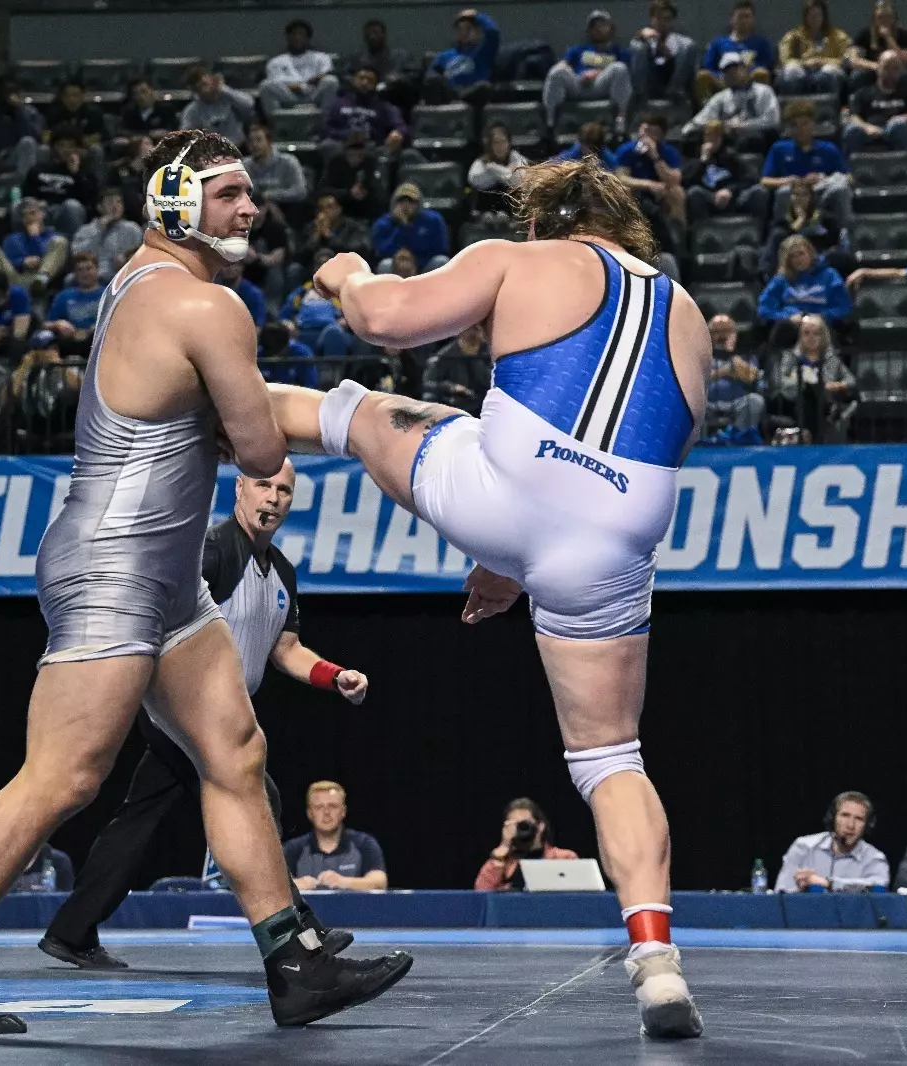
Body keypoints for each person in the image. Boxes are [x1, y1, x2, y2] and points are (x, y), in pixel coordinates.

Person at [0, 128, 410, 1036]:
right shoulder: (209, 310)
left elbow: (210, 419)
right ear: (175, 205)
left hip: (158, 571)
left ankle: (293, 961)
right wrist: (356, 417)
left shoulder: (141, 279)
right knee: (64, 776)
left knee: (234, 750)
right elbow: (259, 451)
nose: (251, 208)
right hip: (118, 566)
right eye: (230, 194)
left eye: (250, 193)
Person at [264, 154, 711, 1038]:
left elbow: (387, 320)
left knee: (353, 410)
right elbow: (645, 447)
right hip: (617, 531)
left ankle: (172, 422)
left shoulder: (521, 256)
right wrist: (518, 556)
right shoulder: (690, 315)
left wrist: (346, 274)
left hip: (510, 482)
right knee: (609, 760)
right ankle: (656, 958)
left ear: (544, 222)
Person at [41, 460, 369, 967]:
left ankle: (71, 929)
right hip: (186, 713)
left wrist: (334, 675)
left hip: (212, 718)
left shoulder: (281, 571)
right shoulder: (215, 550)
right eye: (264, 486)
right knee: (259, 801)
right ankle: (301, 932)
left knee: (141, 819)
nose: (274, 498)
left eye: (284, 490)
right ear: (240, 488)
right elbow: (164, 619)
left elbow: (286, 647)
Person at [774, 792, 890, 892]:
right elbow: (782, 891)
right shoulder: (804, 847)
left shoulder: (874, 859)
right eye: (845, 815)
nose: (850, 825)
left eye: (859, 819)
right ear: (832, 818)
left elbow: (878, 887)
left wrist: (828, 883)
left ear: (868, 825)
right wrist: (802, 889)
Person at [284, 781, 388, 892]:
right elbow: (270, 887)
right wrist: (297, 885)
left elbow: (380, 883)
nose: (326, 812)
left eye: (332, 806)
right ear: (310, 813)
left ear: (343, 811)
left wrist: (344, 882)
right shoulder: (293, 849)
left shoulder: (364, 843)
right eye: (319, 807)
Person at [761, 99, 852, 223]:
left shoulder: (828, 149)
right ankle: (783, 232)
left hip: (821, 195)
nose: (800, 129)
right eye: (795, 125)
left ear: (813, 124)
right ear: (788, 128)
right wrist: (790, 181)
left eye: (805, 123)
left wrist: (823, 179)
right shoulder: (779, 149)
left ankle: (845, 234)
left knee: (841, 190)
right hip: (794, 198)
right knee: (784, 192)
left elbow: (849, 177)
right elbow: (765, 180)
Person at [769, 313, 854, 442]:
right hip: (793, 401)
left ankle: (809, 436)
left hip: (823, 401)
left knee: (816, 396)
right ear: (800, 336)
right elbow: (781, 381)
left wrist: (836, 385)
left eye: (816, 333)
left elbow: (851, 381)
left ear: (823, 336)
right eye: (806, 333)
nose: (811, 337)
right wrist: (803, 382)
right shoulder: (791, 356)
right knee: (807, 393)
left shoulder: (832, 359)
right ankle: (809, 434)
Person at [758, 235, 852, 348]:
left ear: (810, 253)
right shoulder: (781, 279)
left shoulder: (830, 275)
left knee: (818, 330)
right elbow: (764, 309)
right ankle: (780, 364)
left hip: (823, 324)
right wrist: (787, 317)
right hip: (791, 326)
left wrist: (820, 316)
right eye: (793, 256)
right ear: (787, 260)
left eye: (801, 254)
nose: (798, 259)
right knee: (781, 330)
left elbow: (844, 307)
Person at [544, 10, 633, 129]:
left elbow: (626, 76)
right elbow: (563, 64)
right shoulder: (578, 49)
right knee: (556, 71)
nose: (598, 29)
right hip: (579, 84)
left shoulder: (619, 52)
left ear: (611, 28)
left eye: (602, 25)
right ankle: (550, 124)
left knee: (620, 68)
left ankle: (620, 122)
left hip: (602, 85)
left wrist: (597, 73)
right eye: (594, 26)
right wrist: (574, 71)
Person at [680, 51, 779, 154]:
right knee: (693, 137)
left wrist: (742, 126)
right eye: (727, 71)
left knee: (754, 137)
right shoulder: (721, 97)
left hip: (754, 137)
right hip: (727, 137)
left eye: (735, 68)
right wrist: (686, 131)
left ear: (745, 68)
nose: (732, 74)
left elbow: (772, 120)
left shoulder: (764, 91)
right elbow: (702, 119)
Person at [611, 114, 685, 251]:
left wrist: (655, 157)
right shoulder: (627, 150)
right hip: (637, 192)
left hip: (662, 194)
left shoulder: (668, 152)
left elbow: (674, 179)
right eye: (645, 130)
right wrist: (650, 185)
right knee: (622, 192)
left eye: (653, 132)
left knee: (677, 192)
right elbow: (621, 178)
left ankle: (678, 239)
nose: (647, 136)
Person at [474, 798, 580, 891]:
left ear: (540, 826)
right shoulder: (503, 862)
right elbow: (481, 895)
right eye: (516, 825)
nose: (522, 830)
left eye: (525, 825)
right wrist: (503, 848)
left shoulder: (564, 858)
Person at [761, 178, 849, 285]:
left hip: (819, 266)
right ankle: (774, 285)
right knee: (777, 236)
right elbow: (779, 249)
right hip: (791, 267)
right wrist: (798, 222)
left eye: (804, 195)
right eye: (796, 194)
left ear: (811, 197)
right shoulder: (782, 222)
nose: (799, 198)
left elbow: (836, 244)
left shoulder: (826, 220)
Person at [0, 197, 70, 299]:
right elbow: (7, 261)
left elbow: (51, 261)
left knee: (60, 241)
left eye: (32, 213)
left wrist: (34, 237)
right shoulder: (12, 239)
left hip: (37, 277)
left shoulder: (52, 238)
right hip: (12, 278)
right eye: (24, 215)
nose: (29, 218)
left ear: (42, 214)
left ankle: (40, 281)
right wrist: (22, 262)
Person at [682, 120, 766, 224]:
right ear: (704, 137)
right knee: (694, 192)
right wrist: (702, 162)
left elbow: (751, 177)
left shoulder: (730, 155)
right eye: (709, 136)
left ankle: (759, 232)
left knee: (758, 191)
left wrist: (729, 190)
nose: (712, 140)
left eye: (716, 136)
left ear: (721, 138)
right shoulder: (694, 155)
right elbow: (687, 182)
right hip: (709, 197)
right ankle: (699, 233)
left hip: (732, 198)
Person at [842, 50, 907, 154]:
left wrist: (902, 118)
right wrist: (867, 127)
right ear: (878, 68)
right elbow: (853, 116)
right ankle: (854, 169)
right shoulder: (864, 93)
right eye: (886, 68)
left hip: (898, 133)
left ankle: (903, 169)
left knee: (898, 126)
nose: (890, 72)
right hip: (871, 134)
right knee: (852, 130)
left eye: (895, 69)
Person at [322, 66, 411, 161]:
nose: (364, 83)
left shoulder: (383, 107)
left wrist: (398, 133)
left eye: (370, 80)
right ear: (354, 80)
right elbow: (326, 127)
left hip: (371, 146)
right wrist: (346, 135)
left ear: (375, 85)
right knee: (327, 145)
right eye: (361, 78)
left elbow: (402, 127)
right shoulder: (338, 103)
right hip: (342, 143)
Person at [9, 328, 84, 440]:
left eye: (55, 347)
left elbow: (83, 388)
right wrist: (24, 367)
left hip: (60, 419)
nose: (53, 351)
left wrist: (59, 366)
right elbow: (12, 394)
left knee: (68, 395)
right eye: (47, 348)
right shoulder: (25, 370)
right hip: (34, 418)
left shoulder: (69, 362)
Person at [695, 0, 774, 104]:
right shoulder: (718, 43)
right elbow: (708, 67)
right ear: (732, 19)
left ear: (753, 19)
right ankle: (707, 108)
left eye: (747, 16)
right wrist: (724, 76)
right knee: (702, 75)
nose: (744, 20)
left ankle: (757, 107)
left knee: (762, 73)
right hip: (722, 81)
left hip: (750, 81)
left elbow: (767, 65)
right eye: (740, 16)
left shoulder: (762, 43)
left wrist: (745, 75)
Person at [23, 127, 97, 237]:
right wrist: (37, 203)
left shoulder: (85, 173)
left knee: (72, 206)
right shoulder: (39, 169)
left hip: (66, 212)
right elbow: (27, 193)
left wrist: (76, 173)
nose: (66, 150)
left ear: (78, 149)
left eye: (71, 146)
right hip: (43, 210)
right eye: (61, 145)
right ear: (54, 148)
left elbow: (90, 200)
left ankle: (74, 248)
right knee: (22, 205)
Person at [259, 19, 340, 116]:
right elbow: (276, 81)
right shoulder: (276, 61)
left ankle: (325, 120)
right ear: (287, 37)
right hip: (289, 94)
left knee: (331, 81)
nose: (297, 37)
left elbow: (327, 72)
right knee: (265, 85)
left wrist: (318, 78)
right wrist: (300, 87)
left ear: (308, 38)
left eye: (301, 34)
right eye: (294, 34)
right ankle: (277, 124)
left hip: (314, 93)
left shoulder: (321, 57)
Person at [425, 9, 502, 105]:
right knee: (433, 81)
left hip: (472, 93)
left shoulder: (484, 53)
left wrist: (476, 15)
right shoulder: (444, 56)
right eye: (460, 28)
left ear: (477, 33)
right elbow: (430, 77)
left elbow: (493, 32)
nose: (464, 32)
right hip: (450, 94)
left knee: (484, 87)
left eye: (468, 28)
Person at [630, 1, 698, 107]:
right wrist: (641, 35)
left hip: (674, 87)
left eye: (666, 19)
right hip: (650, 87)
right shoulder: (641, 43)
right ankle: (640, 100)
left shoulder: (684, 45)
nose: (662, 22)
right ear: (651, 19)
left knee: (689, 47)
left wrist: (663, 48)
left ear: (673, 21)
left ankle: (679, 98)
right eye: (658, 18)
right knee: (637, 47)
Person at [777, 0, 853, 96]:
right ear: (805, 17)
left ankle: (825, 108)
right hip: (803, 71)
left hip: (828, 72)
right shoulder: (794, 36)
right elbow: (785, 60)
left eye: (818, 15)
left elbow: (845, 60)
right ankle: (794, 107)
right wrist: (804, 63)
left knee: (828, 70)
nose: (815, 19)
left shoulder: (838, 36)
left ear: (824, 16)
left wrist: (821, 61)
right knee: (792, 69)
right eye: (811, 15)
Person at [704, 313, 765, 432]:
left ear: (735, 334)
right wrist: (725, 372)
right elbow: (697, 381)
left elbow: (751, 377)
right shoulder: (701, 357)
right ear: (708, 335)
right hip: (708, 403)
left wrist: (730, 352)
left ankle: (740, 438)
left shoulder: (746, 356)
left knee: (755, 401)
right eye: (716, 331)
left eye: (726, 331)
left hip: (737, 403)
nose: (722, 335)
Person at [371, 183, 449, 275]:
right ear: (394, 203)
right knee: (385, 265)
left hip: (424, 265)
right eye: (401, 201)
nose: (406, 205)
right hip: (398, 266)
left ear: (418, 203)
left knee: (442, 261)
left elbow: (441, 248)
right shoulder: (382, 223)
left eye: (411, 201)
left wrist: (415, 261)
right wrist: (401, 226)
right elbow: (381, 251)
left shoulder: (433, 220)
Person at [71, 187, 144, 282]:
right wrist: (99, 230)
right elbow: (78, 255)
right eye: (110, 202)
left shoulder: (133, 229)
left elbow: (142, 254)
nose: (115, 206)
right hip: (92, 277)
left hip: (121, 275)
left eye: (118, 202)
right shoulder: (86, 230)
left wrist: (127, 259)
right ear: (99, 207)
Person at [347, 19, 418, 113]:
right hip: (365, 94)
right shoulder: (357, 57)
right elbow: (346, 74)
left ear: (383, 35)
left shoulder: (401, 56)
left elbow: (415, 74)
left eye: (376, 33)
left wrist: (399, 78)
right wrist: (357, 81)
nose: (372, 37)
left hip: (394, 95)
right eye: (368, 34)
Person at [178, 68, 257, 147]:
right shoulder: (192, 110)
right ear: (196, 91)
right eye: (200, 87)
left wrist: (223, 89)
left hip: (238, 147)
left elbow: (250, 104)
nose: (205, 89)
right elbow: (184, 135)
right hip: (212, 153)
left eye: (205, 84)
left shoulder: (229, 97)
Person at [848, 0, 907, 92]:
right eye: (880, 17)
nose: (884, 21)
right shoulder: (865, 34)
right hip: (872, 69)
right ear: (874, 18)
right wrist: (877, 67)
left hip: (896, 71)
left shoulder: (903, 35)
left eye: (888, 17)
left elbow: (906, 60)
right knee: (858, 76)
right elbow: (854, 60)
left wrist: (889, 39)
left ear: (894, 18)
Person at [242, 124, 308, 219]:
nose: (254, 145)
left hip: (286, 208)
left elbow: (300, 191)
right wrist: (267, 204)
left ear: (269, 142)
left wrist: (270, 196)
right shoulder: (245, 165)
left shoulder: (289, 162)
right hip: (256, 208)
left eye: (259, 140)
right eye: (250, 141)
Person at [46, 252, 103, 355]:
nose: (85, 273)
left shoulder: (109, 294)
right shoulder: (64, 296)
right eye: (80, 270)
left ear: (97, 270)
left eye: (89, 268)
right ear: (75, 274)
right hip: (70, 341)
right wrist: (57, 324)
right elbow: (46, 324)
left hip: (99, 343)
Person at [319, 132, 385, 220]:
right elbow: (323, 190)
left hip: (366, 206)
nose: (355, 158)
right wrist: (348, 193)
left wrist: (366, 192)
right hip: (342, 205)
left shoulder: (370, 162)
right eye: (352, 154)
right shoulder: (336, 163)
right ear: (346, 152)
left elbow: (379, 189)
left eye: (359, 154)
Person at [468, 124, 529, 215]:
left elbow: (520, 181)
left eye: (503, 142)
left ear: (509, 143)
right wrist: (508, 172)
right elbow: (474, 180)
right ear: (490, 145)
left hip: (513, 213)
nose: (500, 146)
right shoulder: (482, 161)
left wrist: (494, 168)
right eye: (496, 143)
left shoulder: (516, 158)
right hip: (486, 213)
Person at [299, 193, 373, 267]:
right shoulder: (311, 227)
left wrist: (329, 235)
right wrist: (316, 235)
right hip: (314, 269)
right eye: (321, 208)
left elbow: (357, 251)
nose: (325, 211)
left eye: (329, 207)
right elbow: (301, 257)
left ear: (339, 209)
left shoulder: (353, 227)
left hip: (346, 266)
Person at [42, 80, 107, 155]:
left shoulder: (93, 113)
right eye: (67, 96)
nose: (71, 99)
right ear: (62, 97)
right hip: (59, 150)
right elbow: (46, 135)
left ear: (83, 95)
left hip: (85, 150)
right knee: (44, 149)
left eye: (75, 95)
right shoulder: (53, 113)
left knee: (96, 148)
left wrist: (79, 144)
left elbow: (99, 135)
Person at [117, 78, 177, 143]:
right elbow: (123, 132)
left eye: (143, 91)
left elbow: (174, 130)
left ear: (152, 90)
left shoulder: (166, 110)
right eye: (136, 93)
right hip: (137, 146)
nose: (141, 96)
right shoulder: (128, 112)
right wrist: (149, 134)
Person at [219, 259, 267, 327]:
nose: (229, 269)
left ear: (242, 267)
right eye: (226, 265)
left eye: (234, 265)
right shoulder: (213, 286)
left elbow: (258, 326)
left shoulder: (254, 293)